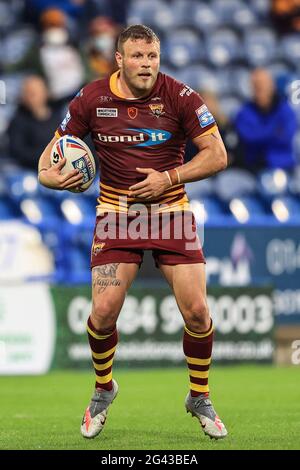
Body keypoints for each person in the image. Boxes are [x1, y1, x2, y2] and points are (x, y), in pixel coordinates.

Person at [38, 25, 228, 440]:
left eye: (153, 56)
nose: (147, 64)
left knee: (197, 311)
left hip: (171, 213)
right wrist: (58, 180)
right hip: (116, 217)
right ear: (119, 59)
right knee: (103, 313)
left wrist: (170, 176)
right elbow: (44, 167)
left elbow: (217, 155)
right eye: (138, 56)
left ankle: (199, 396)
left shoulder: (180, 96)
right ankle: (104, 389)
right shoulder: (91, 99)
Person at [235, 68, 297, 171]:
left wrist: (261, 133)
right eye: (256, 85)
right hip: (255, 168)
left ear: (272, 85)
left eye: (263, 84)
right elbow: (249, 138)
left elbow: (287, 136)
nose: (260, 88)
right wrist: (275, 131)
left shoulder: (285, 110)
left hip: (286, 168)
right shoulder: (244, 113)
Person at [8, 75, 62, 170]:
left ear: (45, 93)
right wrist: (50, 156)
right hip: (34, 172)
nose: (32, 97)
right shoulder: (18, 122)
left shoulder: (60, 115)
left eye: (36, 93)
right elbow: (19, 152)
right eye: (29, 93)